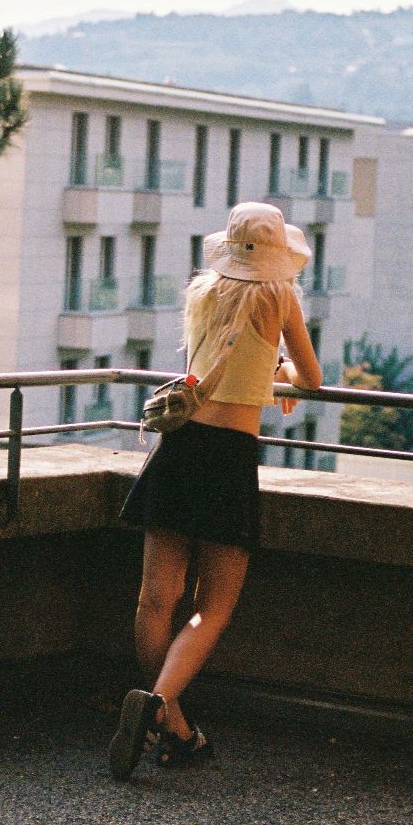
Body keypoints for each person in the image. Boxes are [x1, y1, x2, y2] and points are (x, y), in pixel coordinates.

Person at [108, 201, 323, 778]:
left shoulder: (204, 294)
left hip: (178, 450)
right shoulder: (279, 297)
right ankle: (160, 709)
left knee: (155, 598)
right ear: (279, 254)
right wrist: (278, 372)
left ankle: (174, 724)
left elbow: (210, 360)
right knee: (213, 607)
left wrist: (262, 365)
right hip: (229, 459)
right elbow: (313, 378)